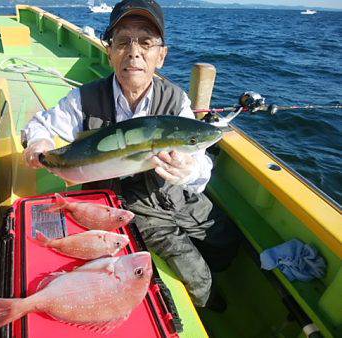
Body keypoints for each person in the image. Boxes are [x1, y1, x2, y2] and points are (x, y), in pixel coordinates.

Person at [23, 0, 240, 311]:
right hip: (126, 204)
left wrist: (189, 170)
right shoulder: (84, 99)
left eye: (146, 42)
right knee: (198, 278)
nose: (134, 51)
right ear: (110, 51)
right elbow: (41, 125)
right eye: (123, 41)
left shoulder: (175, 100)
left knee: (226, 240)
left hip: (175, 194)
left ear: (161, 55)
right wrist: (39, 145)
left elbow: (200, 161)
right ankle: (212, 307)